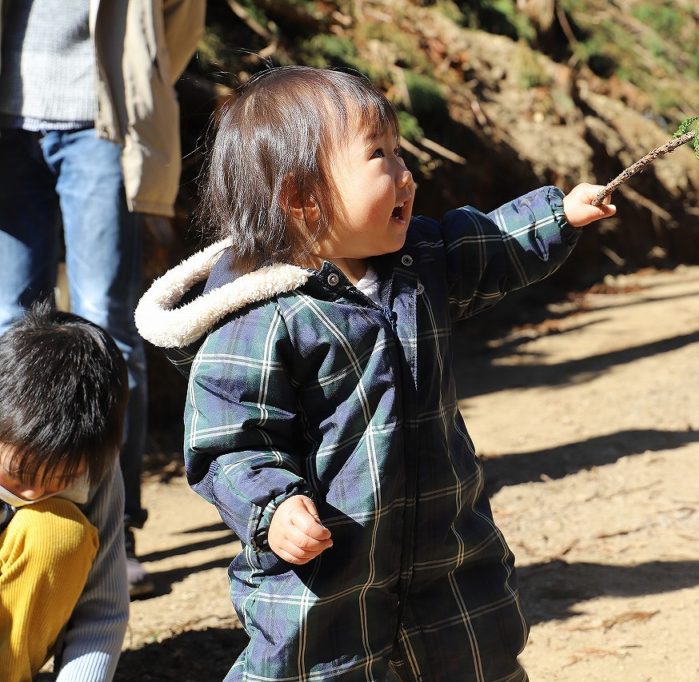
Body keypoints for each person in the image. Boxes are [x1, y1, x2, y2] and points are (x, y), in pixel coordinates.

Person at [133, 66, 616, 680]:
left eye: (399, 150)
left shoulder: (421, 260)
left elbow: (486, 242)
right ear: (300, 197)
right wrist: (274, 508)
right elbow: (231, 441)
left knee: (476, 655)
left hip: (448, 551)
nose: (405, 174)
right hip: (327, 575)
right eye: (378, 154)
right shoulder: (260, 317)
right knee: (317, 667)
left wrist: (558, 215)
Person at [0, 0, 206, 598]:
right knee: (9, 330)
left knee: (108, 332)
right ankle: (18, 512)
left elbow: (180, 19)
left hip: (101, 122)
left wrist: (138, 78)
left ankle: (113, 526)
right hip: (6, 124)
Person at [0, 303, 130, 682]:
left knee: (56, 532)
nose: (32, 493)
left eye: (59, 480)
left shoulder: (94, 463)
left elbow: (102, 611)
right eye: (18, 472)